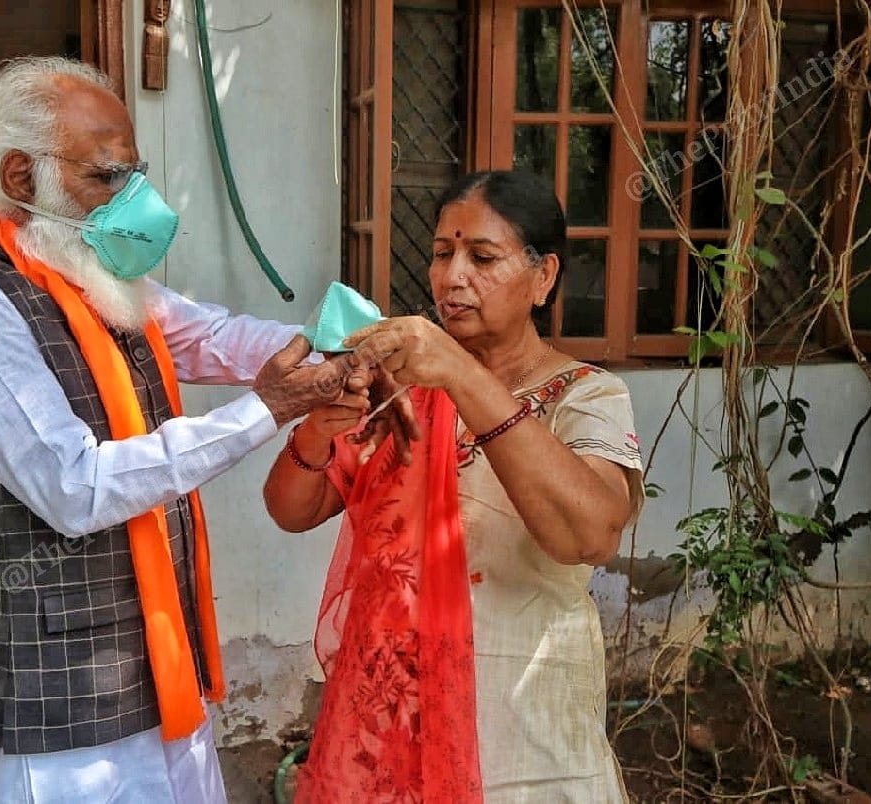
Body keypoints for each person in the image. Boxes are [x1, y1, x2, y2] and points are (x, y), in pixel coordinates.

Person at [0, 57, 372, 803]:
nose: (134, 200)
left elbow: (214, 336)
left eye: (135, 175)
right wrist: (269, 408)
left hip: (155, 661)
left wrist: (342, 349)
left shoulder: (91, 274)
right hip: (52, 701)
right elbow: (76, 487)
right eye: (106, 177)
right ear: (22, 176)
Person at [264, 170, 644, 802]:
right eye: (443, 253)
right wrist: (315, 433)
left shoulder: (585, 396)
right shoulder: (404, 393)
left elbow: (589, 536)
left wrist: (463, 377)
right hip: (389, 728)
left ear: (543, 277)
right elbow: (292, 510)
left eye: (483, 258)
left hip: (518, 731)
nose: (452, 276)